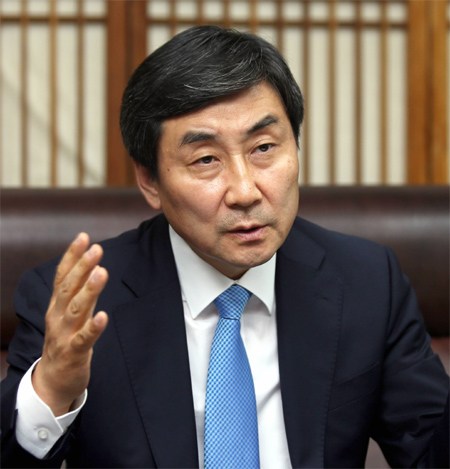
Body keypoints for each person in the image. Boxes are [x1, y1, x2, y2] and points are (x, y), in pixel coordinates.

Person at [1, 25, 449, 469]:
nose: (245, 191)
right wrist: (52, 392)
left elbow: (430, 451)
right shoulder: (79, 306)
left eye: (264, 147)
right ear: (150, 180)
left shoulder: (366, 282)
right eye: (206, 159)